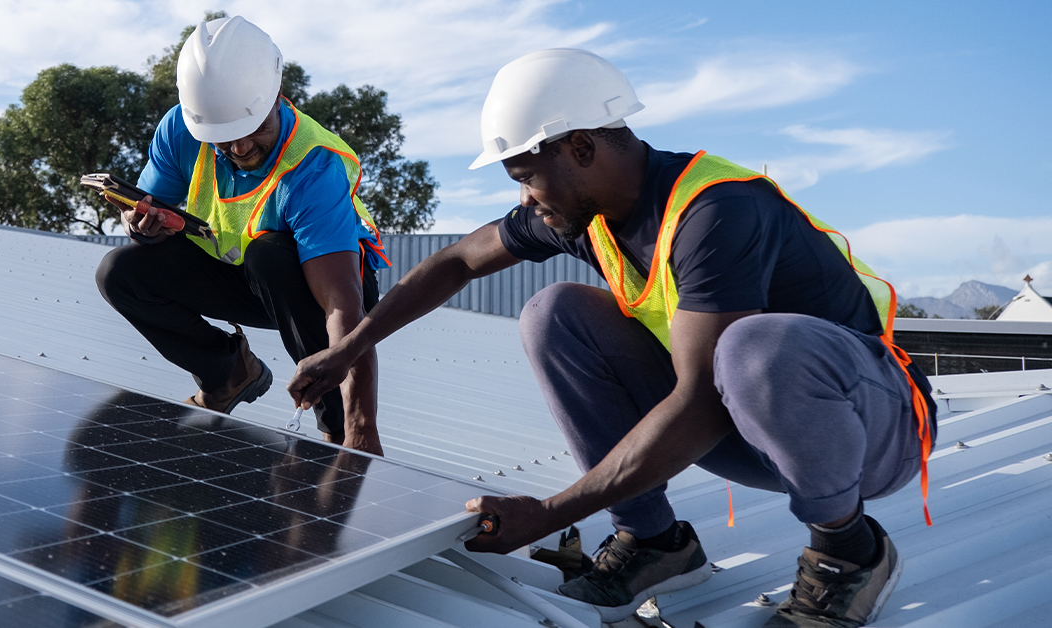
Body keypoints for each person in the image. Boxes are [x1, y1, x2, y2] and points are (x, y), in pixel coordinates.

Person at [287, 49, 936, 627]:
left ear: (579, 148)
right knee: (553, 313)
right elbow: (458, 260)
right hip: (748, 430)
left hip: (872, 430)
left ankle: (849, 554)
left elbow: (700, 405)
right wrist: (350, 347)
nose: (524, 196)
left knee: (750, 350)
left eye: (525, 174)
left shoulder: (714, 211)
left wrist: (547, 512)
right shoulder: (581, 211)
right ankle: (654, 544)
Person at [96, 16, 388, 454]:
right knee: (120, 271)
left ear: (275, 96)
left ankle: (334, 435)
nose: (240, 148)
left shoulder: (313, 166)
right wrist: (140, 226)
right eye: (223, 139)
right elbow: (148, 215)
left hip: (315, 288)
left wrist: (359, 429)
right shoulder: (182, 130)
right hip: (239, 276)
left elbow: (341, 306)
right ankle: (228, 373)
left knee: (269, 254)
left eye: (253, 130)